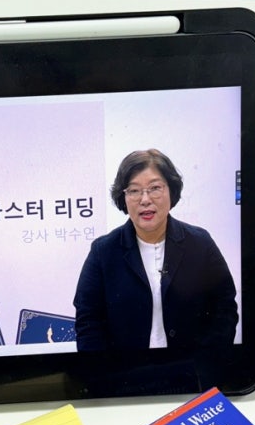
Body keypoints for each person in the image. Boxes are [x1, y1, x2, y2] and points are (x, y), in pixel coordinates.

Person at [73, 149, 238, 351]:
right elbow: (88, 322)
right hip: (125, 369)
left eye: (155, 188)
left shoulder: (200, 243)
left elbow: (225, 309)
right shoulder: (103, 252)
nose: (145, 199)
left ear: (171, 191)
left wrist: (205, 362)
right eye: (134, 190)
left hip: (192, 367)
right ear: (123, 197)